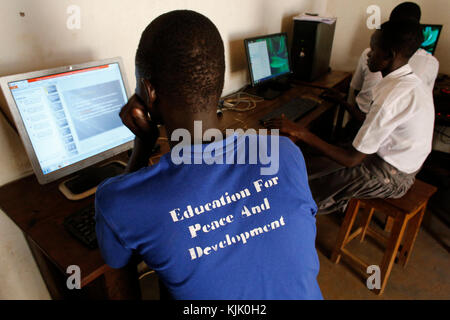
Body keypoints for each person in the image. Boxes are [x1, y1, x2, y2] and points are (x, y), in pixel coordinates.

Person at [95, 10, 323, 300]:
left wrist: (143, 143)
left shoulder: (116, 201)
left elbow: (118, 257)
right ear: (217, 81)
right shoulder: (284, 152)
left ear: (148, 93)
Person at [265, 19, 434, 215]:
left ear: (389, 55)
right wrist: (344, 103)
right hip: (389, 162)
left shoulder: (393, 95)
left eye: (373, 49)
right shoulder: (410, 81)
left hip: (391, 177)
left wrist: (300, 131)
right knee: (306, 164)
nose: (369, 54)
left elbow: (351, 159)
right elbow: (374, 125)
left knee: (299, 187)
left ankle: (291, 219)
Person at [347, 2, 439, 114]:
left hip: (366, 116)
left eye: (373, 48)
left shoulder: (384, 102)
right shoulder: (431, 63)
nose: (369, 54)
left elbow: (357, 90)